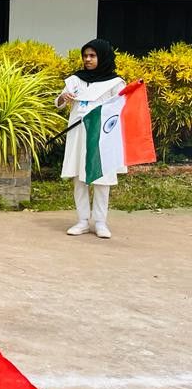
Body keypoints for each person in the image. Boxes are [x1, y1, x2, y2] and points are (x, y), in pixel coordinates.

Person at [56, 39, 126, 239]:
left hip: (102, 135)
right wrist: (63, 98)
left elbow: (121, 108)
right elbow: (59, 102)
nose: (88, 59)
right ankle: (83, 221)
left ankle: (101, 222)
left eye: (92, 56)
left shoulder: (115, 83)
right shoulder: (75, 80)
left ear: (102, 57)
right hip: (78, 133)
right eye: (85, 55)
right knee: (79, 176)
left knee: (101, 177)